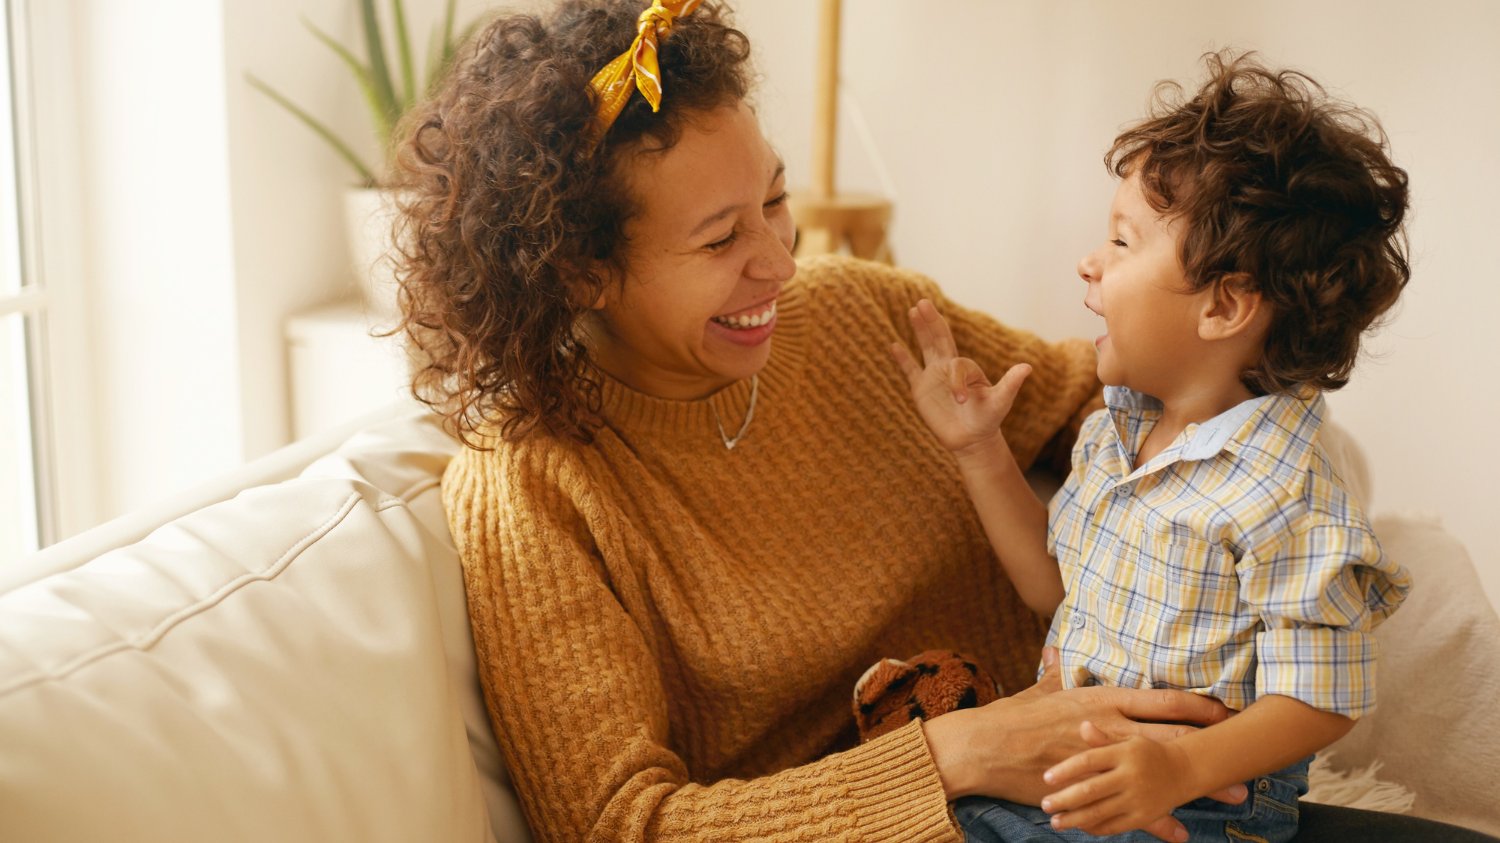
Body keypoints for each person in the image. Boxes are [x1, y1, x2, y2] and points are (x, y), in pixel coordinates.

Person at [390, 2, 1499, 841]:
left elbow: (1104, 399)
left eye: (776, 201)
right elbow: (622, 826)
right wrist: (959, 756)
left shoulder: (853, 317)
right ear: (582, 269)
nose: (780, 264)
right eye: (722, 238)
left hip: (1135, 782)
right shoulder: (530, 489)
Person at [892, 54, 1413, 842]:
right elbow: (1050, 586)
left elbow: (1322, 696)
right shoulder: (1118, 428)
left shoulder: (1287, 487)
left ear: (1226, 305)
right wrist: (979, 448)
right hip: (1078, 764)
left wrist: (1181, 770)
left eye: (1122, 242)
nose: (1088, 261)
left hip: (1198, 802)